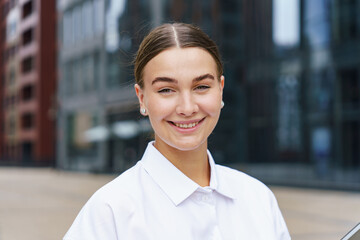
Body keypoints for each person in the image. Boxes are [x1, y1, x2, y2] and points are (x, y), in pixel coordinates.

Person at [63, 23, 291, 240]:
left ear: (220, 90)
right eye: (166, 90)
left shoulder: (258, 198)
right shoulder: (110, 210)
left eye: (201, 87)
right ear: (142, 98)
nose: (187, 108)